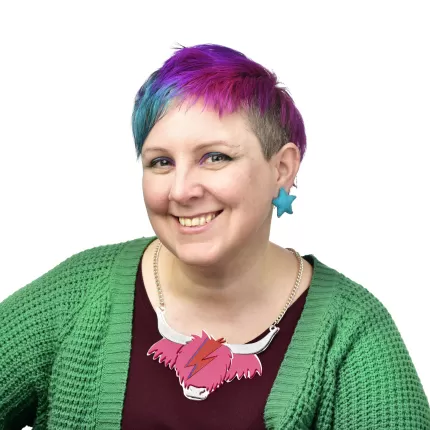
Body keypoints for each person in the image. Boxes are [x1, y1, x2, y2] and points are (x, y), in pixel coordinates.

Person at [0, 44, 429, 430]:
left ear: (282, 169)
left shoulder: (351, 333)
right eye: (161, 162)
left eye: (215, 157)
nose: (181, 189)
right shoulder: (77, 293)